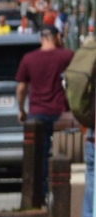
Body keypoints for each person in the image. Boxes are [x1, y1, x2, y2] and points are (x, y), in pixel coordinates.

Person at [16, 26, 72, 206]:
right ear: (57, 37)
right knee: (61, 154)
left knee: (38, 157)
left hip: (37, 113)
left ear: (41, 39)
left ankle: (39, 195)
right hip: (60, 113)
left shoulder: (29, 58)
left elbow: (22, 88)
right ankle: (59, 195)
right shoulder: (66, 56)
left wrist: (21, 110)